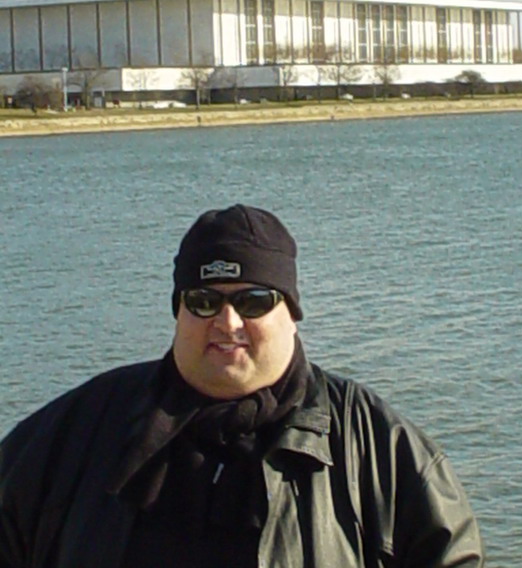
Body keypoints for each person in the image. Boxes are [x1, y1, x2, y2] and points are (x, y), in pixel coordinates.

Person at [0, 204, 484, 567]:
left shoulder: (384, 451)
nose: (227, 322)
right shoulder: (69, 437)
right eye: (204, 300)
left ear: (291, 314)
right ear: (179, 312)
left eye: (254, 301)